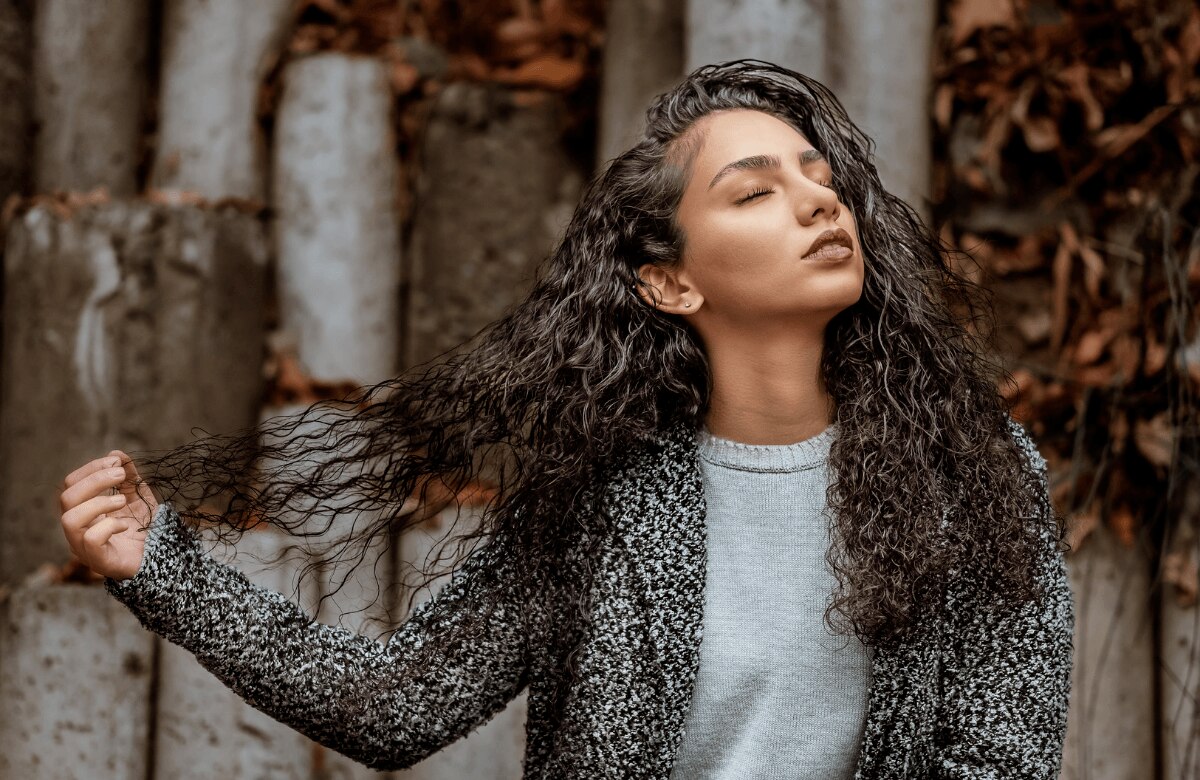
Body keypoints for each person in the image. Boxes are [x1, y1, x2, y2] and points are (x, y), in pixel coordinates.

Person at [57, 59, 1074, 778]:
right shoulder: (599, 499)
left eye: (823, 180)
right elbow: (397, 704)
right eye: (755, 193)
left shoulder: (975, 474)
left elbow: (1000, 757)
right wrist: (166, 571)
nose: (821, 206)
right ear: (671, 281)